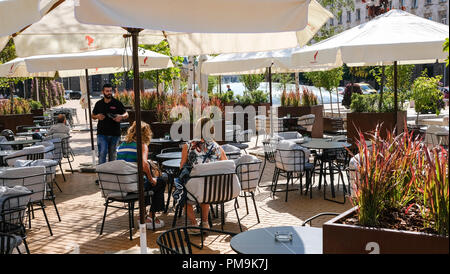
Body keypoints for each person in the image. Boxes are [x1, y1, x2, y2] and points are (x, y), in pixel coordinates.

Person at [176, 117, 228, 232]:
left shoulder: (188, 146)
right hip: (213, 189)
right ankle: (205, 223)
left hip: (194, 188)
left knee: (179, 189)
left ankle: (194, 224)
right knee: (206, 186)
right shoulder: (217, 147)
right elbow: (226, 164)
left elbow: (181, 166)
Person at [116, 121, 167, 229]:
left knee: (147, 182)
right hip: (135, 185)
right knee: (160, 182)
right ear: (146, 133)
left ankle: (142, 215)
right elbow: (144, 164)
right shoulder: (142, 145)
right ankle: (151, 217)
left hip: (122, 185)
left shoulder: (121, 146)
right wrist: (151, 178)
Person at [92, 83, 128, 164]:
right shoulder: (99, 103)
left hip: (115, 134)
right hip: (102, 133)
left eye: (110, 91)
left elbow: (126, 114)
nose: (109, 93)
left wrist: (121, 116)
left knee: (113, 156)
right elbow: (93, 115)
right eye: (107, 91)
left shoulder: (117, 103)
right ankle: (101, 175)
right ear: (103, 92)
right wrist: (97, 116)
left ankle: (112, 175)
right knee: (102, 154)